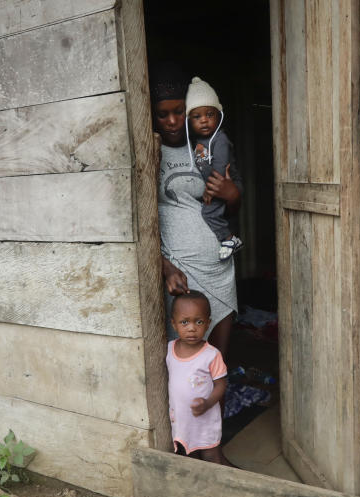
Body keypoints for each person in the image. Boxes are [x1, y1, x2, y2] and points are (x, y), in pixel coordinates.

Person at [150, 63, 240, 360]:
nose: (173, 121)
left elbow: (232, 206)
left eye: (179, 112)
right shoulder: (147, 151)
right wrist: (164, 266)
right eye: (164, 114)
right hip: (180, 271)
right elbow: (135, 222)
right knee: (184, 357)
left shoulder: (210, 146)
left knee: (217, 359)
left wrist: (232, 193)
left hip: (219, 266)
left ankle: (217, 404)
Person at [165, 291, 229, 463]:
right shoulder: (169, 349)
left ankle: (217, 486)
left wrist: (207, 403)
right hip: (182, 417)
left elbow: (221, 385)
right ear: (173, 324)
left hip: (205, 416)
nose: (191, 328)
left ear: (208, 324)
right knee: (188, 453)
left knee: (210, 454)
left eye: (198, 321)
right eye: (184, 322)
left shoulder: (211, 355)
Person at [185, 77, 244, 260]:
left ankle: (229, 239)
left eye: (209, 115)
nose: (204, 120)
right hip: (215, 186)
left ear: (219, 116)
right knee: (215, 212)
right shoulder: (197, 142)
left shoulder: (220, 139)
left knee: (208, 212)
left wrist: (211, 191)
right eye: (197, 116)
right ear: (189, 120)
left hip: (225, 184)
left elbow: (219, 165)